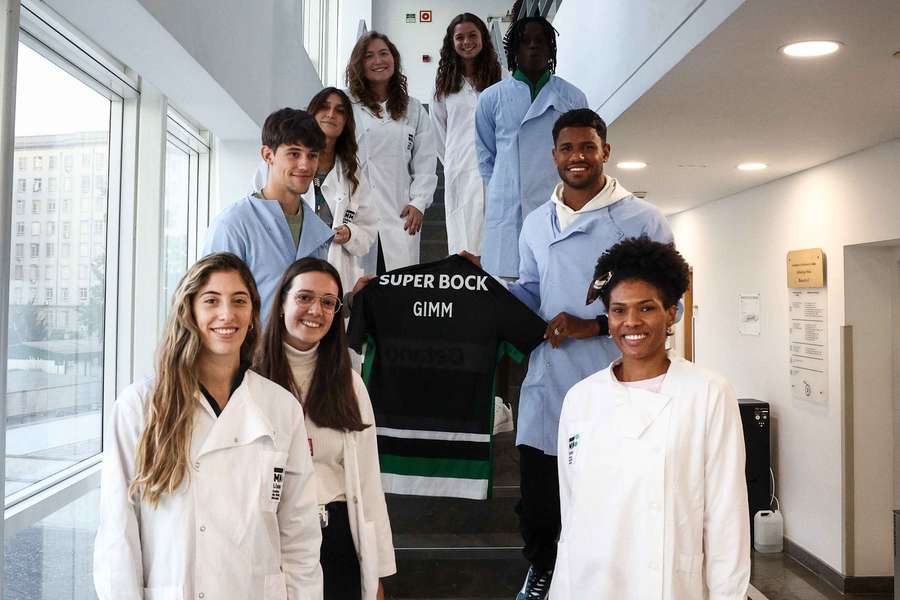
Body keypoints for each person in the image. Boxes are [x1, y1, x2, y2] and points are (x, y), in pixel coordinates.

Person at [503, 108, 675, 600]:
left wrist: (596, 324)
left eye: (586, 147)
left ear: (605, 151)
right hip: (548, 380)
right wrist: (488, 290)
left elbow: (670, 307)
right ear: (553, 155)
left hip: (615, 377)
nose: (577, 157)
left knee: (609, 496)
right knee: (539, 500)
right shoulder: (537, 222)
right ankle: (542, 572)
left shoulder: (642, 220)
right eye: (567, 148)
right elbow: (532, 290)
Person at [93, 252, 323, 600]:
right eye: (211, 301)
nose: (227, 315)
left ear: (252, 313)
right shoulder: (140, 406)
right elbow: (118, 532)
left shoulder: (281, 408)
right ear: (190, 311)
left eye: (239, 301)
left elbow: (300, 533)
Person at [551, 236, 750, 599]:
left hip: (665, 585)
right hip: (588, 583)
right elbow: (573, 511)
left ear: (671, 311)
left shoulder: (707, 393)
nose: (631, 322)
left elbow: (727, 518)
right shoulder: (581, 399)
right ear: (607, 317)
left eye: (646, 308)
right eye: (618, 310)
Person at [254, 258, 395, 600]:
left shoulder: (349, 384)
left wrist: (376, 572)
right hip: (270, 537)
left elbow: (368, 481)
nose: (316, 310)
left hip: (335, 538)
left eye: (328, 303)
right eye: (304, 297)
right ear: (283, 301)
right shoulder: (250, 378)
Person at [474, 15, 588, 279]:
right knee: (508, 296)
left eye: (540, 41)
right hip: (507, 209)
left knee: (554, 284)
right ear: (514, 49)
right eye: (525, 41)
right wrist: (504, 189)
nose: (533, 46)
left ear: (551, 48)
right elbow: (486, 157)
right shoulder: (492, 98)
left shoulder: (572, 97)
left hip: (555, 204)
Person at [205, 108, 334, 322]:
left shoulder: (318, 232)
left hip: (302, 353)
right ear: (268, 155)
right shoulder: (233, 225)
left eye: (312, 156)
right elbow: (211, 304)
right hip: (249, 353)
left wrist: (348, 300)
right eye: (294, 153)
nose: (305, 165)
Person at [253, 88, 378, 295]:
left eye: (339, 111)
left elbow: (368, 228)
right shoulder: (273, 167)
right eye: (324, 107)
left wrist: (349, 234)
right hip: (282, 273)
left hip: (334, 273)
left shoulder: (352, 174)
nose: (331, 114)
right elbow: (258, 212)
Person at [346, 31, 438, 274]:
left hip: (398, 213)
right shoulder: (347, 104)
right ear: (359, 63)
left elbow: (426, 162)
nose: (379, 61)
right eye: (369, 56)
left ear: (394, 59)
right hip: (354, 212)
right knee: (357, 289)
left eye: (384, 53)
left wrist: (419, 203)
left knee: (397, 291)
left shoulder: (414, 109)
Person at [431, 13, 502, 255]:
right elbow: (439, 132)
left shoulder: (500, 78)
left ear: (483, 38)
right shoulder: (443, 86)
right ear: (452, 43)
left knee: (496, 237)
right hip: (459, 168)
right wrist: (453, 160)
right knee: (464, 239)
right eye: (460, 37)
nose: (467, 41)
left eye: (473, 35)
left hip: (496, 167)